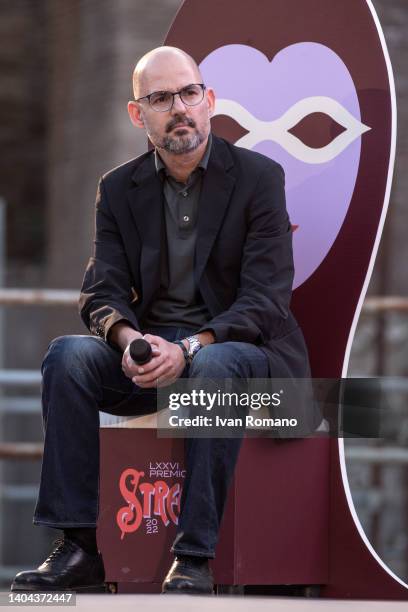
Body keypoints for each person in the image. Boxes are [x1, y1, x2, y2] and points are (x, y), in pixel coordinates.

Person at [11, 46, 319, 595]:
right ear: (138, 114)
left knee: (216, 363)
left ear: (209, 101)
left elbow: (266, 300)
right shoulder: (117, 189)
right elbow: (100, 290)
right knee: (69, 357)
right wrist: (132, 343)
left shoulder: (259, 179)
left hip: (248, 362)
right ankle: (79, 547)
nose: (179, 108)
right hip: (157, 361)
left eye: (188, 93)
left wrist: (194, 346)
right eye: (160, 98)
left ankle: (194, 557)